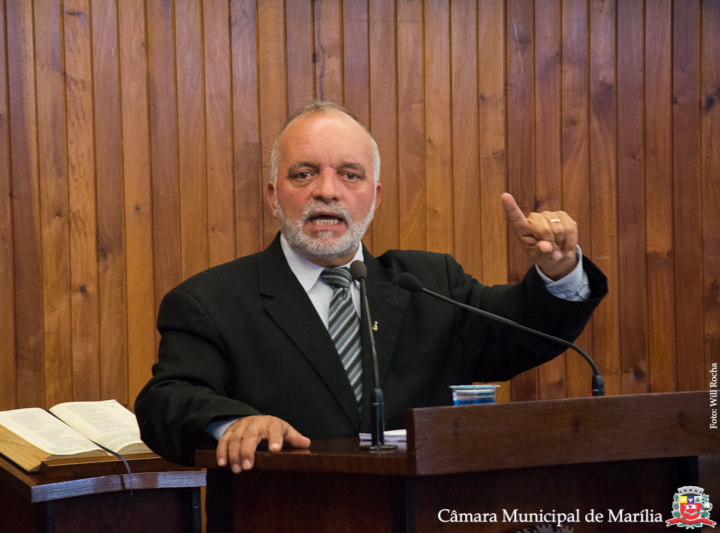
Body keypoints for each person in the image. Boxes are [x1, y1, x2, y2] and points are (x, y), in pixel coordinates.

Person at [135, 101, 607, 476]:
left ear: (375, 197)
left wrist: (559, 271)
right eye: (303, 173)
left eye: (350, 174)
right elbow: (165, 401)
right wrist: (233, 422)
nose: (327, 191)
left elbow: (524, 329)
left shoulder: (429, 283)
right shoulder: (211, 302)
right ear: (273, 196)